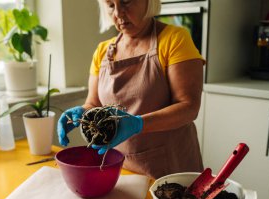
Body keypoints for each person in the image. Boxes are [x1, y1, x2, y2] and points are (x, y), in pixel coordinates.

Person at [57, 0, 205, 179]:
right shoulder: (102, 51)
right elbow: (94, 103)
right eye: (111, 5)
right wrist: (82, 114)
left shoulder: (175, 39)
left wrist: (138, 124)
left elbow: (189, 107)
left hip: (171, 166)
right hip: (119, 167)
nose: (118, 13)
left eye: (126, 2)